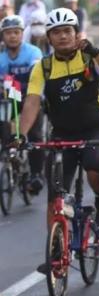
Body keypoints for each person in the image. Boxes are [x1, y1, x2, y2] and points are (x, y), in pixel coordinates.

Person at [17, 8, 99, 257]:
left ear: (77, 34)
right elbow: (32, 102)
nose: (63, 36)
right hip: (61, 134)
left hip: (94, 129)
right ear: (49, 37)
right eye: (56, 32)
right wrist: (21, 135)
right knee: (55, 194)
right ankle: (55, 250)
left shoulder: (89, 58)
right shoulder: (42, 67)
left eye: (67, 31)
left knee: (95, 167)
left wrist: (95, 52)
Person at [0, 15, 45, 193]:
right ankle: (9, 156)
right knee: (4, 126)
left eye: (16, 33)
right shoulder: (1, 58)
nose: (12, 36)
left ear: (22, 34)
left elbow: (36, 76)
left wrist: (13, 84)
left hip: (32, 97)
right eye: (8, 33)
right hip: (11, 97)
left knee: (34, 134)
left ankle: (36, 174)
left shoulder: (33, 52)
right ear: (3, 36)